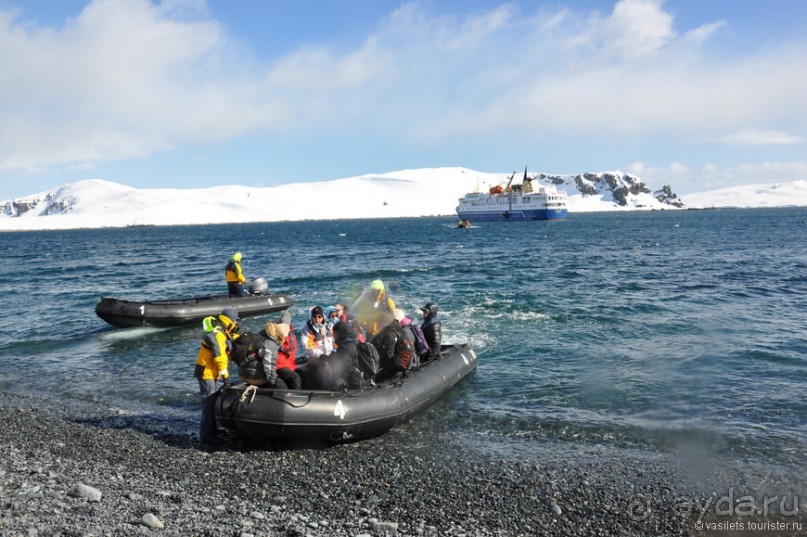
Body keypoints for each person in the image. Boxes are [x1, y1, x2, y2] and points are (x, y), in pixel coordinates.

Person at [194, 307, 239, 451]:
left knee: (211, 402)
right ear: (230, 320)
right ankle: (207, 437)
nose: (236, 323)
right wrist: (226, 377)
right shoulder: (218, 335)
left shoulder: (221, 332)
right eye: (235, 320)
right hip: (207, 373)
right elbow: (219, 358)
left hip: (210, 372)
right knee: (208, 404)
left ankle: (212, 431)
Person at [233, 321, 290, 388]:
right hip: (256, 378)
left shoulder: (257, 338)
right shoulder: (271, 345)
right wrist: (273, 383)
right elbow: (269, 365)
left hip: (242, 375)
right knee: (282, 385)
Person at [370, 310, 413, 382]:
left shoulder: (390, 334)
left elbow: (389, 354)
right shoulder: (398, 329)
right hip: (397, 363)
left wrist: (377, 356)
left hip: (393, 367)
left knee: (375, 378)